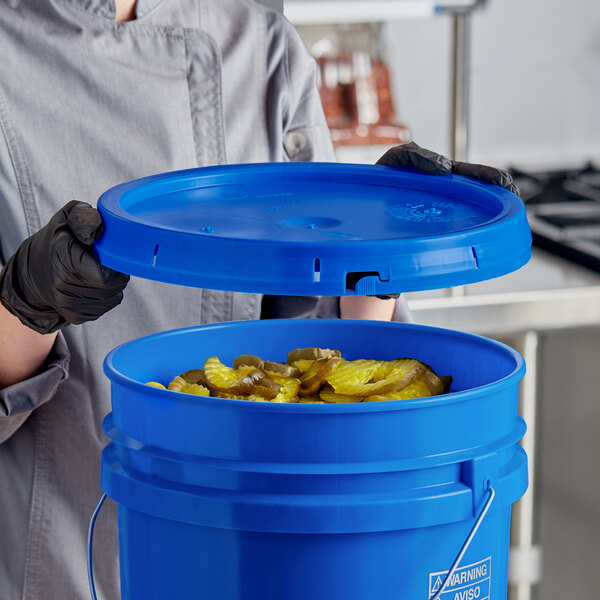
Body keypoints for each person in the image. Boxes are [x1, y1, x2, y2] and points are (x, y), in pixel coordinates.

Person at [0, 1, 518, 599]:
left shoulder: (260, 44)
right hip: (62, 548)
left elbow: (333, 370)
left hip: (275, 559)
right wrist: (25, 306)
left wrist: (378, 253)